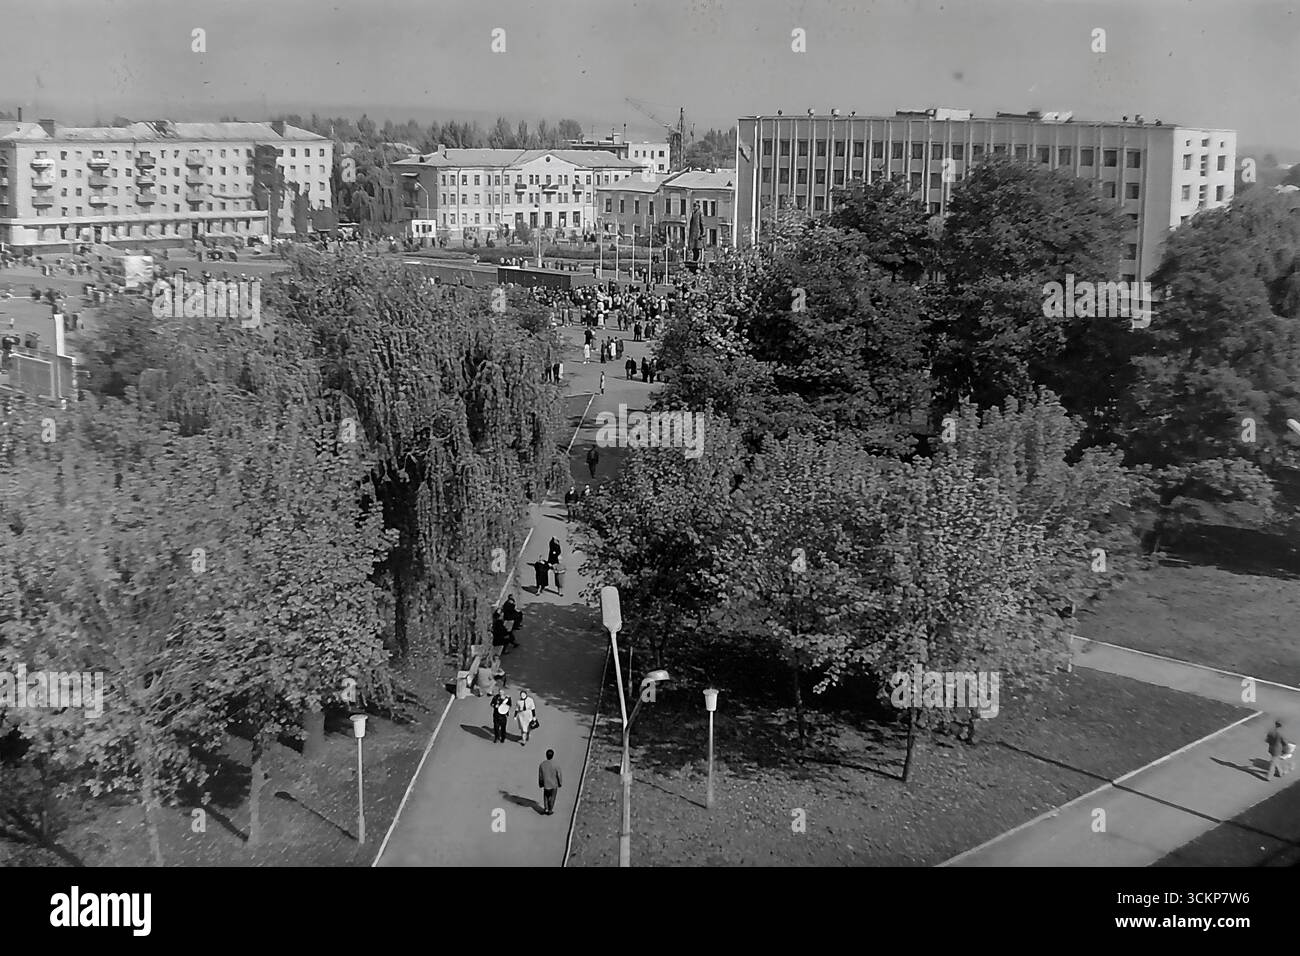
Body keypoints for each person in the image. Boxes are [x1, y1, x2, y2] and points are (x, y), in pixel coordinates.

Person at [538, 749, 563, 815]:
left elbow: (540, 776)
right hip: (554, 784)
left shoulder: (542, 765)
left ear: (546, 755)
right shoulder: (556, 765)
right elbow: (559, 774)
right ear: (553, 755)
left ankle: (545, 808)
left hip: (546, 784)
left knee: (546, 796)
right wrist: (560, 783)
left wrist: (541, 784)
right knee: (553, 797)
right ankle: (550, 810)